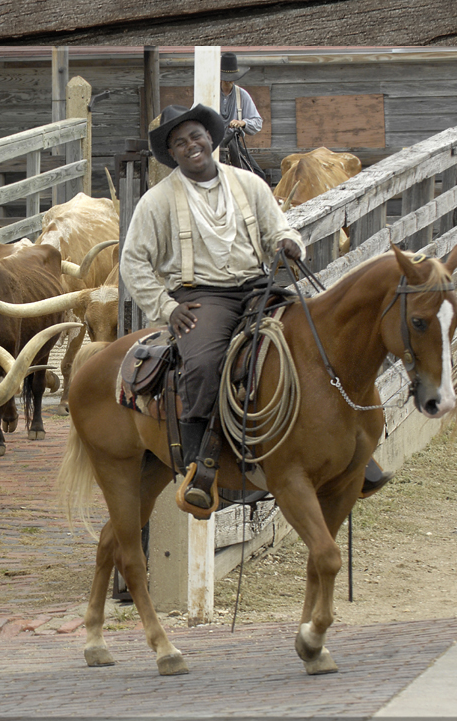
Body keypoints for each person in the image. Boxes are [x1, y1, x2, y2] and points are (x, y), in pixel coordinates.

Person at [120, 103, 304, 510]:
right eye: (180, 142)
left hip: (259, 284)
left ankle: (333, 442)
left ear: (210, 138)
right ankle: (199, 465)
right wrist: (166, 308)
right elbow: (133, 262)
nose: (191, 146)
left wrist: (289, 242)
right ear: (173, 153)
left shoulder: (248, 184)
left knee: (313, 335)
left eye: (196, 136)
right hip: (203, 296)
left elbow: (279, 227)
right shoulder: (157, 201)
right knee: (202, 364)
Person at [218, 52, 266, 180]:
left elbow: (257, 122)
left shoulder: (242, 95)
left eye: (231, 76)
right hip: (211, 141)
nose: (228, 80)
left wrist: (243, 123)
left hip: (232, 142)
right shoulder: (209, 93)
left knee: (259, 176)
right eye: (226, 76)